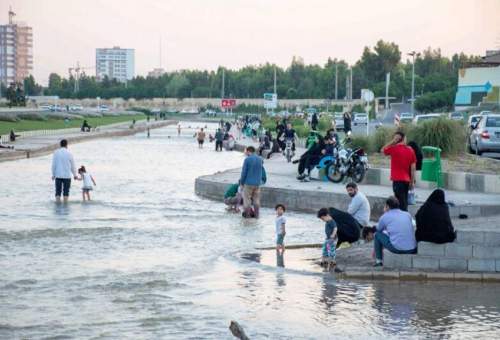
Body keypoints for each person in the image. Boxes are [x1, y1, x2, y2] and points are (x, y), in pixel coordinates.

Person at [371, 196, 417, 267]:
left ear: (387, 206)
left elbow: (379, 229)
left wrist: (385, 213)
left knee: (377, 235)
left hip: (397, 249)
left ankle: (379, 261)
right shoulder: (407, 214)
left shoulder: (385, 216)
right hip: (412, 249)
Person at [381, 131, 416, 212]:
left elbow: (382, 150)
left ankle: (402, 219)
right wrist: (412, 181)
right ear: (404, 139)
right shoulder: (410, 150)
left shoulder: (393, 149)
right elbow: (413, 168)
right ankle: (404, 218)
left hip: (397, 181)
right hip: (406, 180)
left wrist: (393, 141)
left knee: (399, 203)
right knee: (404, 201)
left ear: (396, 139)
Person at [240, 146, 266, 218]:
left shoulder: (247, 160)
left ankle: (248, 216)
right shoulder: (260, 159)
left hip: (248, 183)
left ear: (248, 151)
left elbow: (244, 172)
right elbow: (261, 170)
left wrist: (241, 183)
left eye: (246, 152)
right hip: (257, 183)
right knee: (256, 200)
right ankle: (257, 216)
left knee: (247, 200)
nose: (246, 153)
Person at [51, 139, 78, 203]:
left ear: (60, 145)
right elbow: (72, 165)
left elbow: (53, 165)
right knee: (66, 192)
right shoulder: (69, 153)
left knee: (58, 191)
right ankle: (65, 206)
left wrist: (53, 174)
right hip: (67, 176)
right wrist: (75, 175)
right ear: (66, 145)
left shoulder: (56, 153)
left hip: (58, 175)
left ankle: (58, 206)